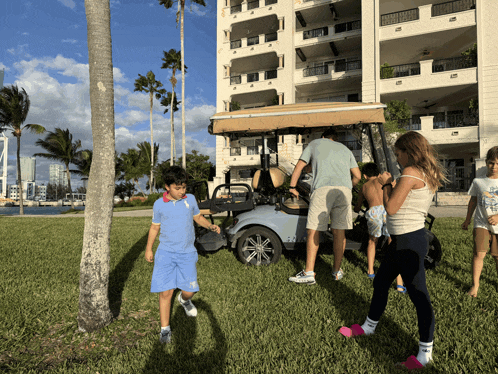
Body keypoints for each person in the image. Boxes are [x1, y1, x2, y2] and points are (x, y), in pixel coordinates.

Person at [339, 131, 446, 370]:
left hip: (409, 241)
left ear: (410, 152)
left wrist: (387, 184)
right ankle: (369, 327)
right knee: (381, 282)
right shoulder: (424, 173)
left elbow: (392, 208)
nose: (397, 159)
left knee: (419, 296)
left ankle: (425, 353)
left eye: (399, 154)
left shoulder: (410, 173)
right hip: (404, 240)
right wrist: (392, 185)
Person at [145, 166, 221, 344]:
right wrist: (149, 248)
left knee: (190, 290)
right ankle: (165, 329)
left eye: (184, 187)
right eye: (177, 188)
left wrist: (209, 226)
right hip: (166, 253)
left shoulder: (191, 199)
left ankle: (184, 301)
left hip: (187, 252)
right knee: (166, 292)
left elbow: (197, 217)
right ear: (167, 187)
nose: (181, 191)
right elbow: (155, 227)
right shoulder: (159, 204)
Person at [288, 127, 361, 284]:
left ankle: (308, 272)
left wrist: (292, 187)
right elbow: (358, 176)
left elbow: (300, 166)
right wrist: (348, 186)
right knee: (339, 231)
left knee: (314, 229)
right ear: (335, 138)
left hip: (323, 190)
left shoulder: (315, 143)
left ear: (323, 137)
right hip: (344, 192)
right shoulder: (345, 149)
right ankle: (336, 271)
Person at [353, 162, 405, 292]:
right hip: (388, 210)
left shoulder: (364, 186)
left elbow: (358, 207)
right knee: (393, 243)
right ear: (378, 173)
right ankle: (399, 283)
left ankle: (371, 271)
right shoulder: (385, 180)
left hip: (374, 212)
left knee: (372, 241)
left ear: (365, 176)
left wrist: (357, 207)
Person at [461, 146, 498, 297]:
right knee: (478, 254)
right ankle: (475, 286)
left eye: (497, 163)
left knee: (497, 256)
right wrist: (467, 220)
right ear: (486, 162)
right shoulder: (478, 182)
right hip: (481, 223)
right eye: (491, 163)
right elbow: (473, 202)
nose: (494, 167)